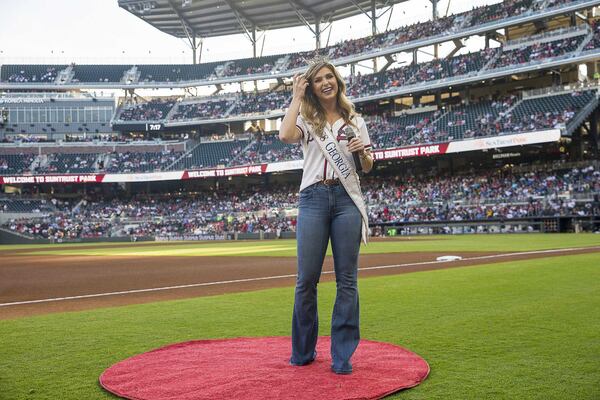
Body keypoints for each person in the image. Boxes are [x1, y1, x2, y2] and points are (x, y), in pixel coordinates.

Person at [279, 58, 374, 374]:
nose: (325, 82)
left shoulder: (354, 118)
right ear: (312, 87)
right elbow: (285, 135)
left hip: (347, 200)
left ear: (337, 81)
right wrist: (295, 98)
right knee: (306, 280)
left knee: (347, 280)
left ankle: (342, 356)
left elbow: (369, 165)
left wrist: (363, 152)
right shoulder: (307, 118)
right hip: (314, 198)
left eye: (329, 76)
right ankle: (303, 352)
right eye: (318, 79)